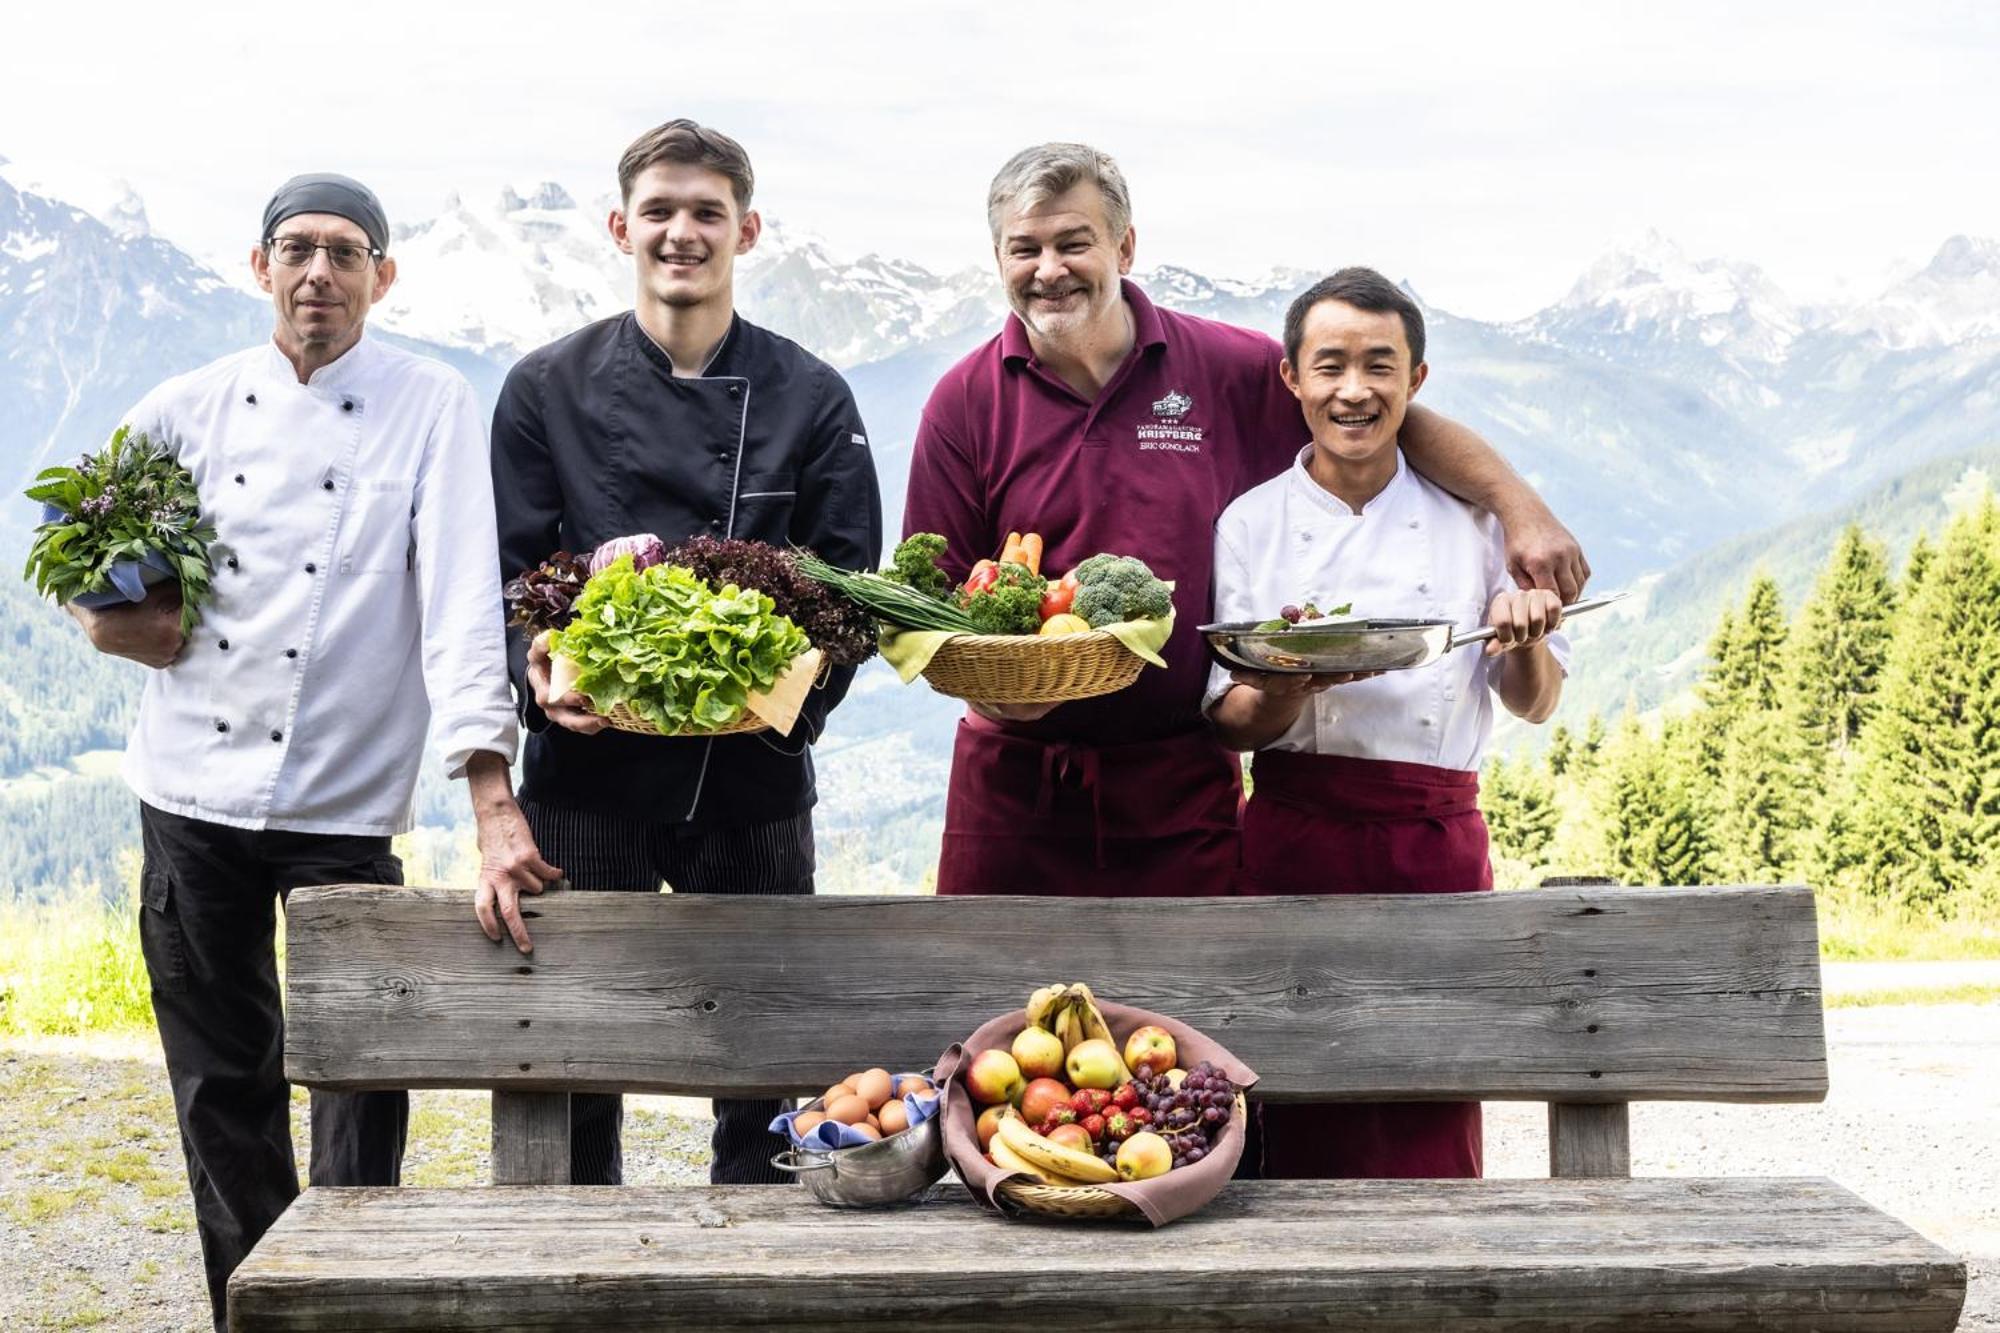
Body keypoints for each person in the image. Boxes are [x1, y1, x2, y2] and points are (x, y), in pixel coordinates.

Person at [63, 172, 551, 1332]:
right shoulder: (183, 406)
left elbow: (460, 613)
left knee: (358, 1065)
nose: (317, 272)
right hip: (188, 792)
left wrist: (492, 799)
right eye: (297, 249)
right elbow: (81, 550)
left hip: (342, 799)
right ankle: (255, 1307)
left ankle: (352, 1292)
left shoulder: (432, 404)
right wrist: (105, 619)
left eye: (344, 252)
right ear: (259, 267)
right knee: (220, 1083)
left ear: (383, 277)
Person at [902, 142, 1586, 898]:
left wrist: (1520, 509)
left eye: (1074, 243)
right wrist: (995, 687)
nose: (1049, 268)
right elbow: (933, 604)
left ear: (1125, 248)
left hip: (1181, 787)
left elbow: (1373, 419)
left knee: (1189, 1011)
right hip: (1012, 788)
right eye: (1024, 248)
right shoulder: (963, 401)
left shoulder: (1225, 369)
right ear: (997, 256)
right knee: (992, 1007)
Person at [488, 120, 882, 1186]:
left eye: (706, 211)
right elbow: (513, 577)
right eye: (658, 210)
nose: (681, 232)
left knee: (757, 1075)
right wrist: (539, 667)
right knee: (571, 1060)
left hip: (752, 782)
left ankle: (750, 1282)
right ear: (621, 227)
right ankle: (565, 1272)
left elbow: (849, 589)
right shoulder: (544, 389)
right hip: (585, 778)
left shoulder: (812, 394)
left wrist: (782, 699)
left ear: (746, 230)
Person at [1208, 266, 1569, 1178]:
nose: (1354, 390)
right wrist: (1292, 677)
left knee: (1430, 1093)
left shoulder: (1479, 523)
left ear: (1417, 380)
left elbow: (1535, 701)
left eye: (1380, 364)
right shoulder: (1251, 522)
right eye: (1330, 366)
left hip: (1436, 842)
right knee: (1284, 1100)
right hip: (1292, 842)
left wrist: (1523, 637)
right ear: (1292, 380)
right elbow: (1235, 722)